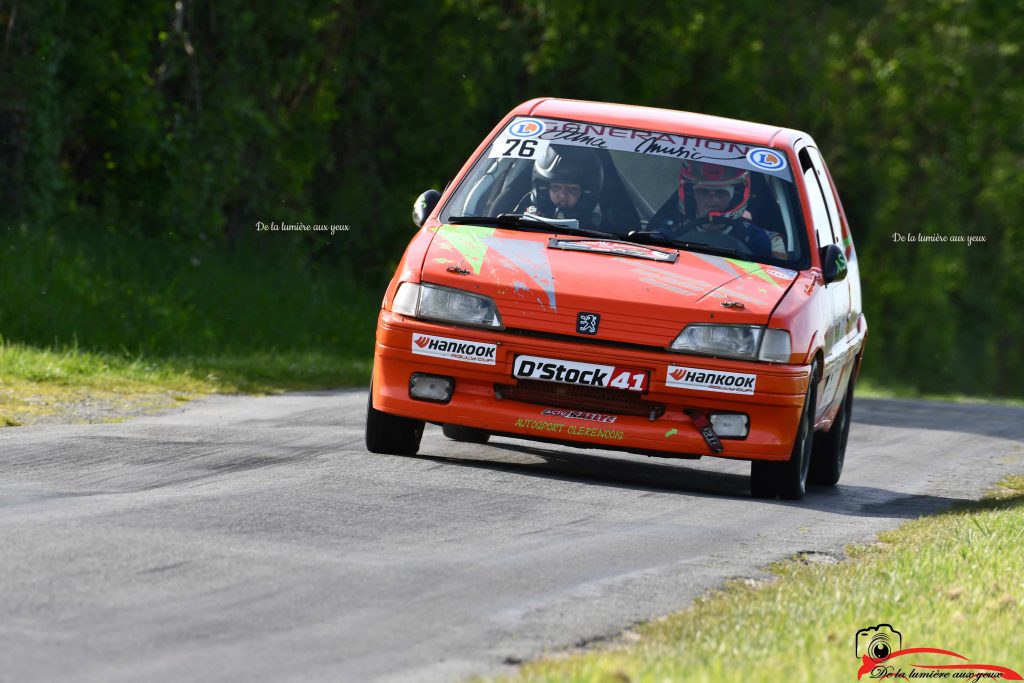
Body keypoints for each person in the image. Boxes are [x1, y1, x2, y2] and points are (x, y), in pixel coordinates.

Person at [649, 161, 786, 259]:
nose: (712, 202)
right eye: (703, 192)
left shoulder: (759, 239)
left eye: (721, 194)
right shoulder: (670, 231)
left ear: (736, 197)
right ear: (691, 196)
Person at [515, 145, 606, 227]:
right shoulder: (523, 221)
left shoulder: (600, 227)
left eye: (572, 189)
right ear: (544, 190)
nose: (563, 194)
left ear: (586, 193)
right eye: (556, 187)